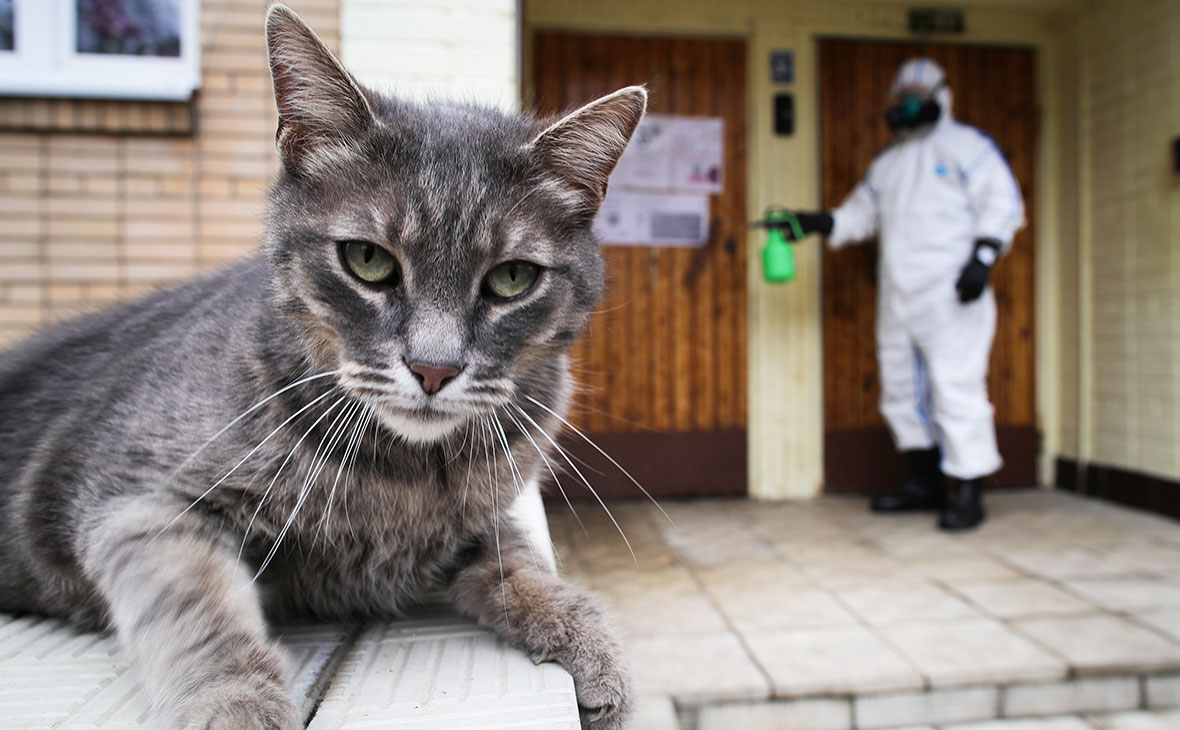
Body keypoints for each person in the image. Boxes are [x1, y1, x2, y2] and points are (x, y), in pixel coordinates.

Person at [786, 57, 1025, 530]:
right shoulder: (888, 163)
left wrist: (982, 257)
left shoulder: (967, 147)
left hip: (952, 291)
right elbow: (858, 216)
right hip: (897, 295)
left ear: (941, 94)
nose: (907, 104)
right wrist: (814, 222)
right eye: (901, 97)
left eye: (917, 94)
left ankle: (969, 490)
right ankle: (923, 483)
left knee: (955, 388)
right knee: (902, 389)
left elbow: (1003, 203)